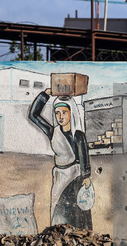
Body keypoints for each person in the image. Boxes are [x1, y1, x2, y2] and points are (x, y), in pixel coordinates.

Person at [28, 88, 93, 230]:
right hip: (59, 177)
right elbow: (33, 115)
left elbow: (84, 157)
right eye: (57, 113)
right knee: (58, 211)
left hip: (75, 178)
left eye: (64, 112)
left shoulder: (78, 135)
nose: (60, 116)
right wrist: (45, 94)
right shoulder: (53, 132)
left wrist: (86, 176)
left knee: (76, 215)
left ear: (71, 113)